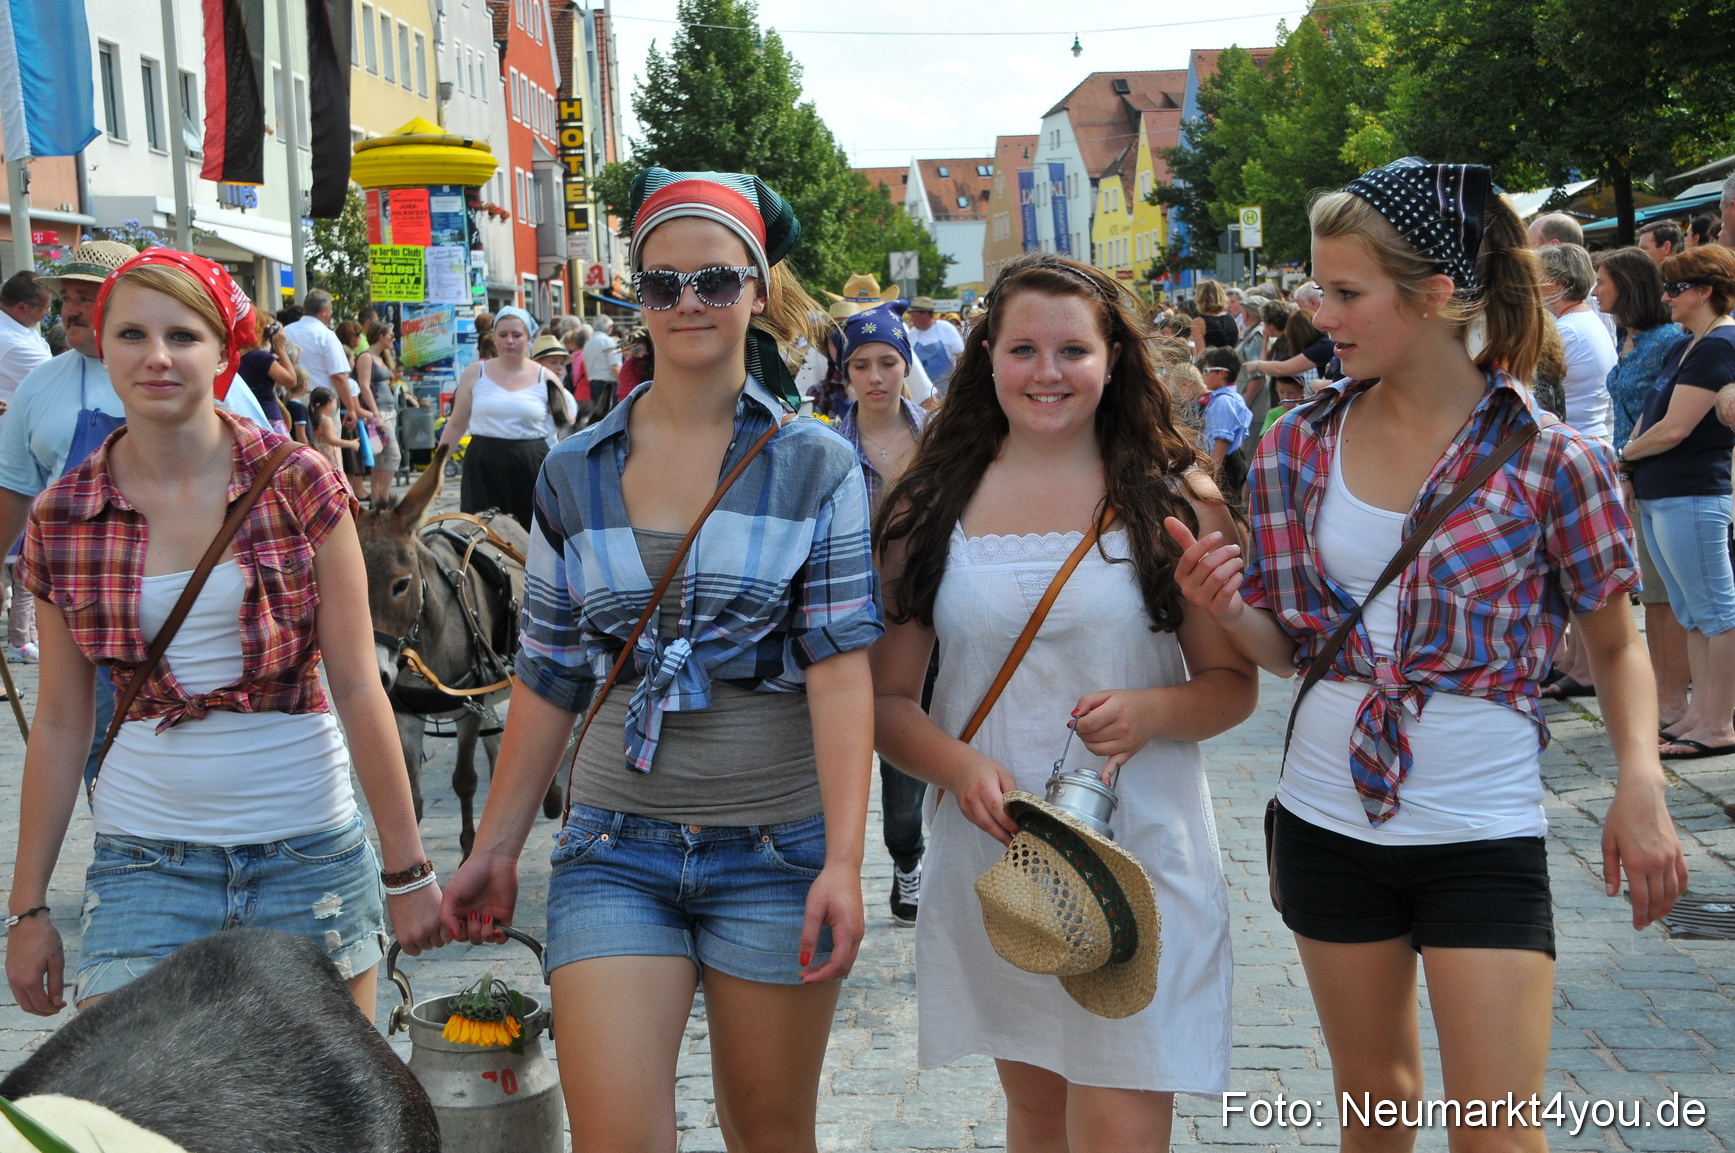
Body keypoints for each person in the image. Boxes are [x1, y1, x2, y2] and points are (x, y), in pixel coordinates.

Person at [1172, 157, 1686, 1152]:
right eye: (1319, 288)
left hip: (1482, 826)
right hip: (1327, 818)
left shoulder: (1551, 459)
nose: (1320, 312)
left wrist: (1639, 781)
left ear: (1437, 293)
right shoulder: (1292, 447)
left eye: (1346, 291)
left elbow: (1617, 643)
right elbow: (1290, 650)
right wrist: (1226, 607)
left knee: (1496, 1128)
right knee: (1376, 1106)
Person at [442, 168, 880, 1151]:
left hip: (775, 847)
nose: (688, 303)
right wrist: (498, 848)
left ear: (758, 292)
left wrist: (845, 860)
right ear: (633, 299)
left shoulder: (815, 465)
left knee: (769, 1133)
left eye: (715, 282)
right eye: (661, 285)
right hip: (613, 848)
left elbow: (839, 669)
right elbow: (550, 673)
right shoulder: (575, 470)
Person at [872, 251, 1254, 1151]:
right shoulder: (929, 502)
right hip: (1000, 862)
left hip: (1143, 855)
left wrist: (1152, 712)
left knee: (1121, 1126)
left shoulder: (1173, 496)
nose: (1047, 373)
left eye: (1072, 350)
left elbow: (1234, 686)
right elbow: (886, 700)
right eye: (1023, 350)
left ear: (1113, 358)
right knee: (1037, 1119)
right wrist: (957, 765)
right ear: (987, 358)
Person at [5, 250, 445, 1021]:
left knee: (321, 1127)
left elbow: (354, 684)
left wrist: (407, 872)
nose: (157, 356)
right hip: (145, 858)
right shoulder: (64, 515)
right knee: (135, 1126)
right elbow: (63, 720)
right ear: (101, 346)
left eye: (183, 335)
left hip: (307, 849)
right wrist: (29, 907)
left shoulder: (298, 481)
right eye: (132, 334)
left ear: (221, 350)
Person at [0, 240, 271, 783]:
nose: (70, 308)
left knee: (207, 739)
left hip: (191, 596)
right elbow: (13, 487)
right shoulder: (41, 385)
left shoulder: (207, 381)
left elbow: (261, 483)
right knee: (102, 746)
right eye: (66, 296)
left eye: (85, 296)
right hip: (87, 601)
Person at [832, 300, 929, 925]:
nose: (875, 376)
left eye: (887, 362)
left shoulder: (938, 440)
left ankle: (907, 855)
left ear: (904, 365)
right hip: (842, 614)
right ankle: (826, 865)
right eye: (861, 364)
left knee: (903, 750)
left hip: (919, 615)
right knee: (838, 742)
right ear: (845, 375)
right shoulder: (824, 441)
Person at [1620, 245, 1735, 760]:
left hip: (1694, 491)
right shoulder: (1687, 345)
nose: (1664, 297)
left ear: (1704, 291)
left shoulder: (1720, 345)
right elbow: (1652, 416)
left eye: (1674, 288)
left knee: (1716, 611)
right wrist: (1629, 461)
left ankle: (1718, 722)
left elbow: (1675, 429)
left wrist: (1622, 455)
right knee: (1691, 612)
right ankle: (1700, 714)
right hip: (1665, 491)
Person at [1593, 247, 1688, 730]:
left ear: (1627, 285)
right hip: (1634, 474)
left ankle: (1675, 697)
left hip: (1663, 474)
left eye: (1602, 281)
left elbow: (1665, 416)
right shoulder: (1628, 336)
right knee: (1653, 594)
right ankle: (1664, 693)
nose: (1595, 290)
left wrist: (1627, 464)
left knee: (1673, 596)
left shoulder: (1668, 340)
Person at [438, 307, 574, 529]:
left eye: (516, 335)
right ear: (494, 338)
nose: (509, 341)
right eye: (503, 335)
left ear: (529, 339)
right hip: (483, 465)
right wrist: (438, 468)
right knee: (480, 532)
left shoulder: (545, 377)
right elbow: (456, 424)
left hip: (530, 463)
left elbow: (567, 429)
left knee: (533, 532)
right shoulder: (475, 373)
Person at [1538, 244, 1617, 441]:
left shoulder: (1567, 330)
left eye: (1538, 277)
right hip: (1587, 434)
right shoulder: (1583, 320)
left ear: (1558, 284)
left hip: (1574, 438)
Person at [354, 319, 417, 503]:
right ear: (381, 337)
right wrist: (375, 415)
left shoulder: (382, 358)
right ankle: (383, 498)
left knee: (381, 458)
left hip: (389, 411)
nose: (393, 338)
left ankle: (378, 500)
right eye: (390, 335)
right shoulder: (367, 357)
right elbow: (364, 387)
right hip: (378, 413)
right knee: (392, 455)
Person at [1198, 346, 1252, 492]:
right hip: (1227, 461)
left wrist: (1213, 475)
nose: (1204, 376)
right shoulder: (1232, 397)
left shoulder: (1223, 401)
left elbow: (1222, 440)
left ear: (1222, 373)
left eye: (1207, 371)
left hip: (1223, 464)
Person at [234, 307, 295, 436]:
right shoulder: (261, 358)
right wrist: (280, 348)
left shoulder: (233, 357)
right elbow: (291, 381)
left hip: (246, 420)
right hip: (269, 419)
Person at [906, 295, 965, 389]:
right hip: (923, 391)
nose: (912, 320)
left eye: (914, 316)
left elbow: (961, 356)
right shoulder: (911, 335)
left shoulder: (946, 328)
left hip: (946, 388)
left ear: (925, 314)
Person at [307, 386, 354, 477]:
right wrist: (351, 443)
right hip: (330, 458)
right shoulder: (327, 420)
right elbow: (331, 440)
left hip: (320, 457)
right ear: (328, 404)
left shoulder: (314, 418)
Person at [581, 313, 622, 419]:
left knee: (599, 418)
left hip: (593, 383)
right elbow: (614, 367)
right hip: (608, 385)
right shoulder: (609, 341)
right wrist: (622, 385)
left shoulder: (588, 343)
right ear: (609, 328)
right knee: (611, 418)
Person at [1191, 279, 1238, 353]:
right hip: (1233, 362)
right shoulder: (1231, 318)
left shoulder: (1198, 322)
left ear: (1199, 297)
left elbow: (1201, 353)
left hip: (1213, 363)